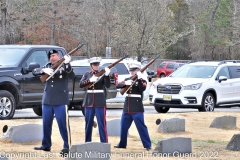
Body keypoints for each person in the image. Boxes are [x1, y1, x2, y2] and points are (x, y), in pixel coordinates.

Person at [33, 50, 74, 156]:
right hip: (47, 100)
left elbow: (72, 76)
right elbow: (35, 72)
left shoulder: (64, 65)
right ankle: (46, 145)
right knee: (46, 125)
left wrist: (67, 64)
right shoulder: (47, 66)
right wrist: (43, 70)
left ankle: (67, 146)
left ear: (59, 56)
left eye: (54, 55)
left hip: (60, 100)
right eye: (50, 56)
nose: (52, 57)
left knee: (63, 125)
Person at [114, 61, 152, 151]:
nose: (131, 72)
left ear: (138, 70)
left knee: (141, 127)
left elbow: (142, 88)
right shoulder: (128, 78)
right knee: (123, 126)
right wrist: (125, 83)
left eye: (134, 70)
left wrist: (139, 79)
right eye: (131, 70)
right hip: (127, 107)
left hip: (137, 107)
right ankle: (122, 144)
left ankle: (147, 145)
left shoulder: (142, 79)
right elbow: (118, 86)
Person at [79, 57, 111, 143]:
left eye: (97, 65)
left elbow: (108, 85)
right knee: (88, 124)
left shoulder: (103, 74)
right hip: (89, 101)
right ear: (91, 66)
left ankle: (104, 143)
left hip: (100, 101)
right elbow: (81, 84)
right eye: (94, 65)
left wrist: (107, 75)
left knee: (102, 124)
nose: (97, 66)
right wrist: (89, 80)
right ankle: (87, 142)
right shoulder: (87, 74)